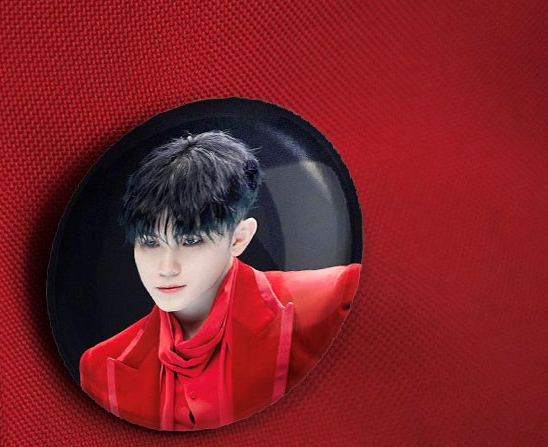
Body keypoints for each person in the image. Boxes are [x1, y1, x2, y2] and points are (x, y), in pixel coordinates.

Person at [79, 130, 360, 430]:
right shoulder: (101, 367)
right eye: (150, 242)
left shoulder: (335, 296)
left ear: (239, 238)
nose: (166, 268)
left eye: (190, 241)